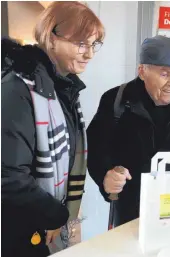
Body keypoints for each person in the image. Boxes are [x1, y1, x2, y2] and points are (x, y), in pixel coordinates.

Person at [1, 2, 104, 257]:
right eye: (81, 44)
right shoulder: (18, 89)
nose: (89, 54)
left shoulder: (62, 89)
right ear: (51, 37)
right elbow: (7, 176)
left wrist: (64, 215)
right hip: (18, 230)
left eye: (94, 45)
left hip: (41, 221)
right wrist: (55, 214)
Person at [87, 35, 170, 227]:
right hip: (132, 204)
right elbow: (98, 148)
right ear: (142, 71)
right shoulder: (116, 100)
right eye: (165, 74)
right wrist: (105, 177)